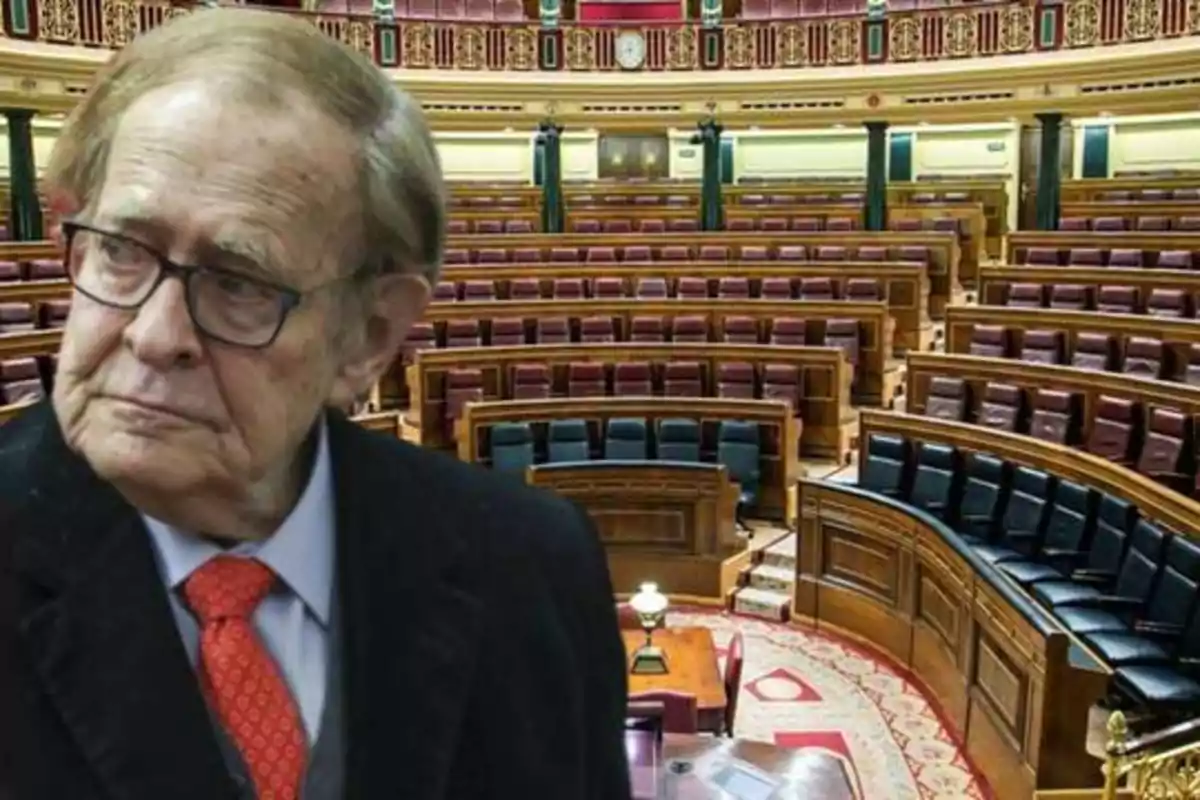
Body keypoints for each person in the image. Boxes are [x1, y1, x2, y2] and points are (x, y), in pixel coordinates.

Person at [0, 9, 631, 799]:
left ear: (366, 335)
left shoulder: (535, 563)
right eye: (123, 252)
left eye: (238, 283)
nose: (156, 337)